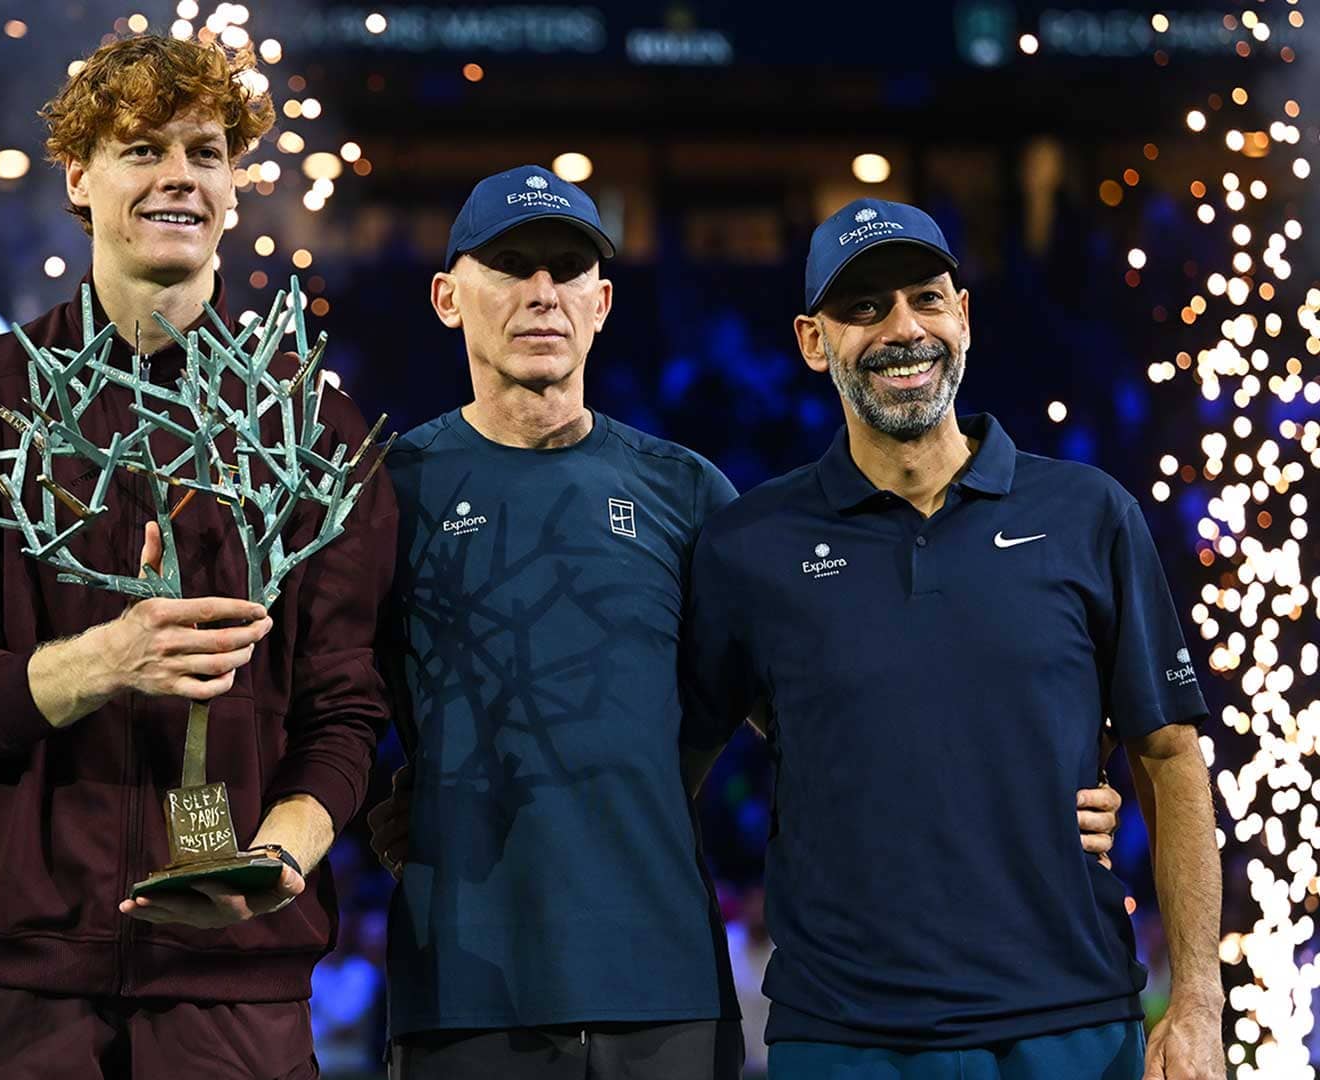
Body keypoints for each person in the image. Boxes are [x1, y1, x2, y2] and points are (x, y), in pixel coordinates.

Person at [367, 170, 1126, 1080]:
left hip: (666, 987)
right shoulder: (385, 492)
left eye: (567, 269)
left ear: (602, 303)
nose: (542, 293)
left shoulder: (689, 495)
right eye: (510, 265)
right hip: (463, 989)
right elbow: (329, 693)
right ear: (448, 297)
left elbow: (822, 706)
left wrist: (1033, 794)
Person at [0, 34, 394, 1079]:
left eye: (205, 152)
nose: (179, 176)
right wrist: (106, 659)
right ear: (78, 178)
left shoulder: (316, 432)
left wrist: (279, 855)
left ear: (235, 187)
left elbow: (344, 711)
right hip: (20, 978)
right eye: (140, 149)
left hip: (235, 981)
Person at [684, 197, 1222, 1079]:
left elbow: (1170, 755)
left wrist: (1199, 1000)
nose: (904, 329)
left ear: (963, 316)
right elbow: (674, 764)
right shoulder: (750, 546)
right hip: (843, 1038)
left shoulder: (1088, 513)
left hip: (1072, 1026)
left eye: (926, 299)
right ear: (812, 342)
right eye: (863, 309)